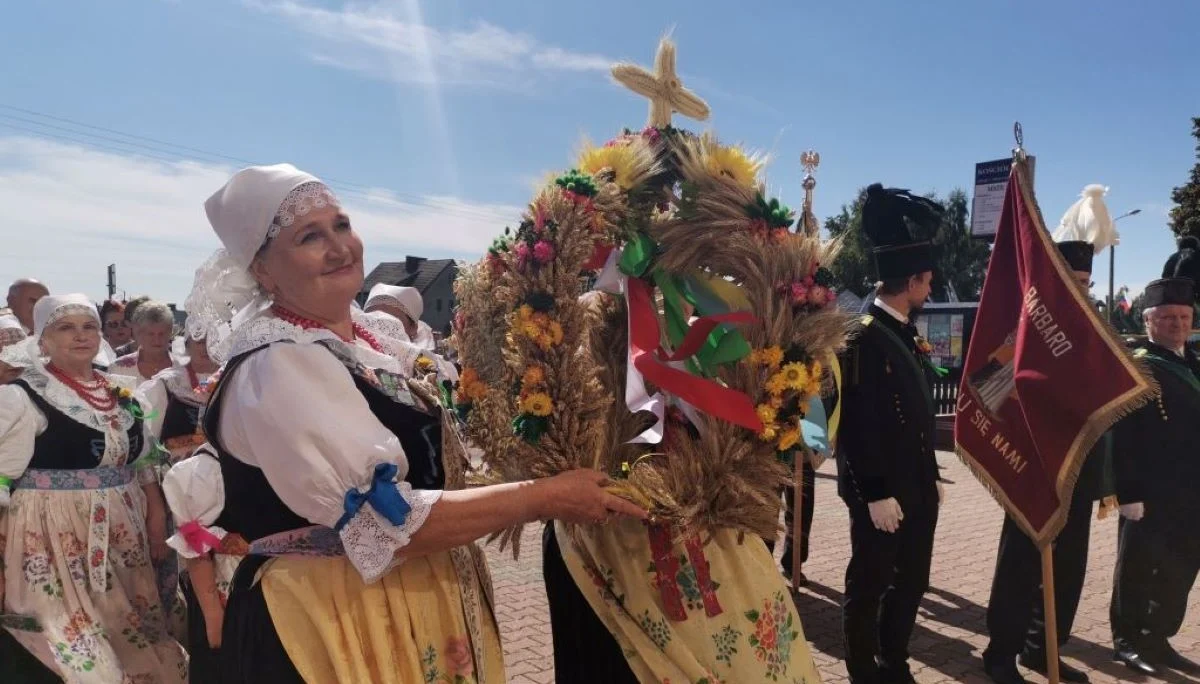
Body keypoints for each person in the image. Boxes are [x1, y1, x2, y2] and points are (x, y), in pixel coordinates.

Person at [181, 163, 645, 683]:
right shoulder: (279, 365)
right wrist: (543, 496)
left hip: (403, 601)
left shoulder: (365, 344)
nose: (340, 247)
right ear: (262, 270)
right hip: (333, 615)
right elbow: (388, 521)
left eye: (341, 224)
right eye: (309, 237)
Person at [0, 294, 186, 682]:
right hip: (52, 536)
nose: (80, 336)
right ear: (42, 340)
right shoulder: (22, 395)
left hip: (123, 531)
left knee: (136, 638)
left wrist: (155, 515)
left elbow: (144, 460)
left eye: (89, 327)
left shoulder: (123, 393)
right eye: (65, 328)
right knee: (79, 651)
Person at [981, 237, 1112, 684]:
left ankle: (1044, 649)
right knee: (1019, 563)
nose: (1082, 290)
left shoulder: (1097, 328)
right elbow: (988, 386)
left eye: (1087, 282)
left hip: (1079, 464)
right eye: (1072, 281)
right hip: (1033, 464)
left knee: (1069, 565)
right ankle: (1000, 652)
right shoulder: (1025, 327)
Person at [837, 183, 944, 684]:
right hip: (880, 491)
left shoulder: (903, 330)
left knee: (913, 582)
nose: (930, 290)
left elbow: (916, 412)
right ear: (913, 280)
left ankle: (892, 661)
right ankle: (862, 670)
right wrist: (875, 492)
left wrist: (929, 471)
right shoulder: (861, 335)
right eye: (927, 282)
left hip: (918, 486)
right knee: (869, 583)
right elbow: (858, 425)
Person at [1109, 269, 1200, 677]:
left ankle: (1158, 637)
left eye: (1183, 317)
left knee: (1182, 566)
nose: (1177, 324)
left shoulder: (1195, 362)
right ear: (1148, 321)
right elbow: (1121, 433)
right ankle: (1127, 640)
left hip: (1191, 489)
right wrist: (1127, 492)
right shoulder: (1136, 367)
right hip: (1148, 490)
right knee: (1138, 566)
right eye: (1167, 317)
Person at [109, 300, 176, 385]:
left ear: (170, 332)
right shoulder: (118, 369)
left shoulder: (184, 368)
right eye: (150, 334)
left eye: (162, 334)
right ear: (138, 333)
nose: (157, 340)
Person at [364, 283, 436, 350]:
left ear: (413, 327)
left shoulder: (423, 360)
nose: (378, 324)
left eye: (391, 319)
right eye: (370, 318)